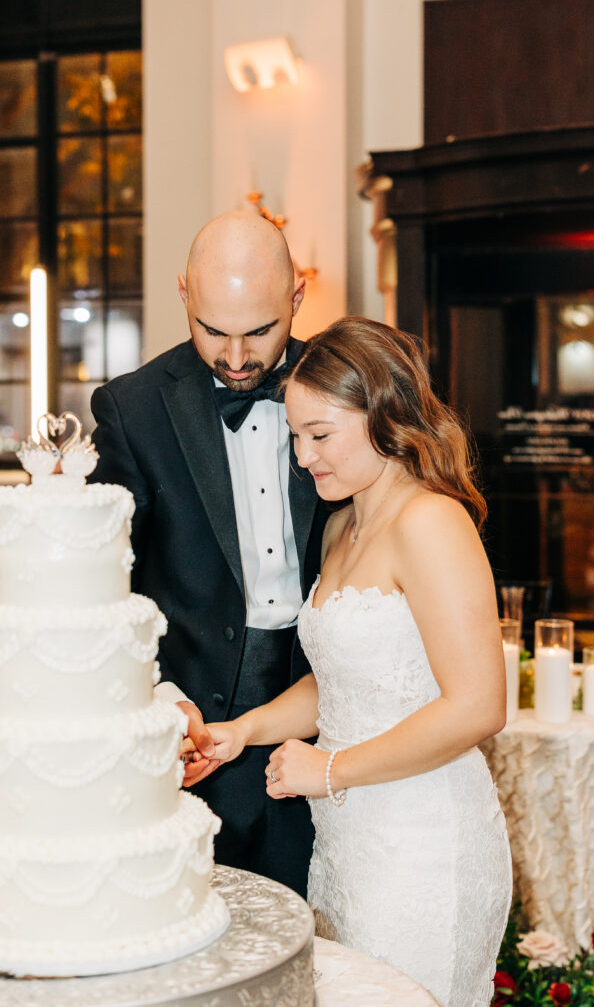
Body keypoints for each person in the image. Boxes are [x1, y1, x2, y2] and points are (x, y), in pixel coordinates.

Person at [184, 316, 513, 1007]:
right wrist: (246, 730)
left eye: (320, 435)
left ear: (383, 415)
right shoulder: (344, 522)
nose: (303, 458)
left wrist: (329, 769)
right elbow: (338, 678)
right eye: (295, 437)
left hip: (423, 843)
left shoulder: (430, 521)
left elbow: (478, 705)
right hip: (349, 839)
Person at [89, 211, 328, 898]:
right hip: (192, 731)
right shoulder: (131, 408)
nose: (234, 358)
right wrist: (163, 697)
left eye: (259, 331)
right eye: (211, 330)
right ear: (183, 295)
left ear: (297, 295)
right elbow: (112, 579)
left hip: (329, 713)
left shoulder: (348, 393)